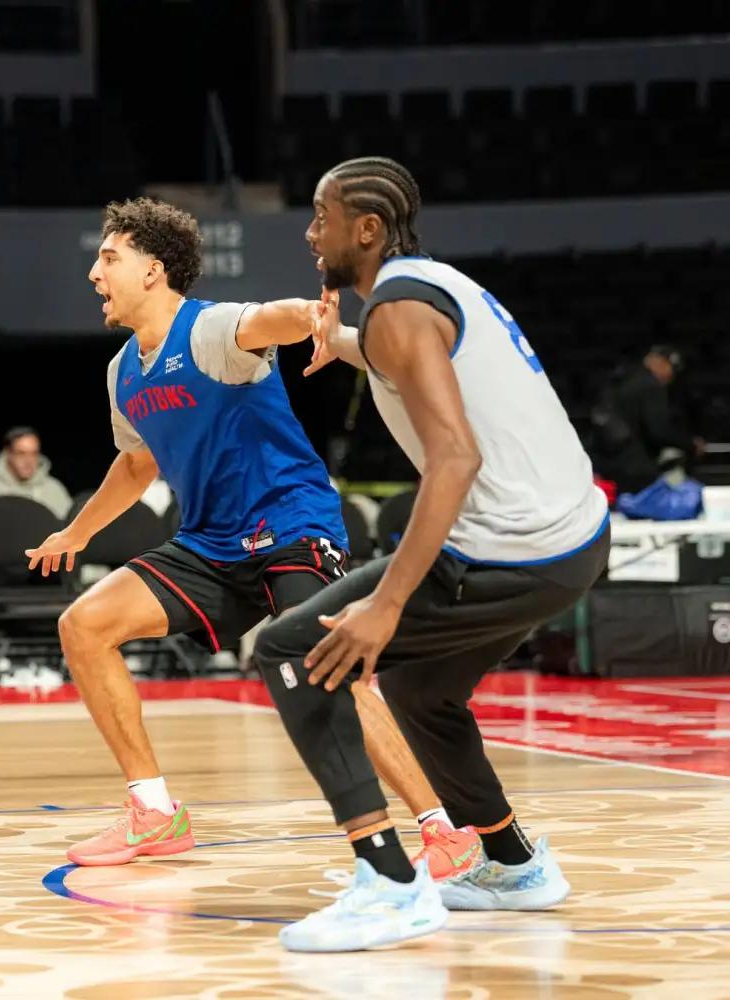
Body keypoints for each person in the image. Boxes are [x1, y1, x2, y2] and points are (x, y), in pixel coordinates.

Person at [24, 195, 473, 871]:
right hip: (210, 543)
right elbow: (137, 463)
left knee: (330, 667)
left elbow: (271, 321)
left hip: (291, 523)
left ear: (152, 271)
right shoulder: (123, 372)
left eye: (108, 257)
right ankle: (153, 812)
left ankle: (444, 831)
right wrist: (75, 533)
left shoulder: (210, 331)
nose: (95, 272)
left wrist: (313, 316)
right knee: (83, 625)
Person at [253, 157, 611, 953]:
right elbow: (413, 359)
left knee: (290, 650)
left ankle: (389, 884)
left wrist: (381, 608)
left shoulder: (400, 312)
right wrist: (339, 340)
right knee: (421, 689)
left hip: (508, 548)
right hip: (575, 537)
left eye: (322, 217)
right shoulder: (428, 288)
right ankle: (514, 863)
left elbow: (454, 459)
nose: (311, 234)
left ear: (367, 229)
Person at [590, 344, 704, 495]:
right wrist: (690, 444)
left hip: (610, 461)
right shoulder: (650, 386)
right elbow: (659, 430)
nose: (670, 372)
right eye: (667, 365)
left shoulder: (625, 379)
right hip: (636, 467)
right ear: (652, 360)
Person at [0, 426, 72, 544]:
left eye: (34, 454)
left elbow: (74, 529)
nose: (28, 461)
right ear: (8, 454)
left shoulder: (53, 489)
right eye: (21, 454)